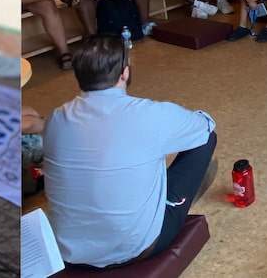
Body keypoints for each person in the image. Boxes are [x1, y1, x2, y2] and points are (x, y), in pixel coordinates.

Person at [42, 35, 218, 268]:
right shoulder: (149, 114)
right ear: (124, 73)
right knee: (204, 141)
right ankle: (172, 203)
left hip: (68, 250)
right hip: (135, 249)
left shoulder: (56, 118)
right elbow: (206, 126)